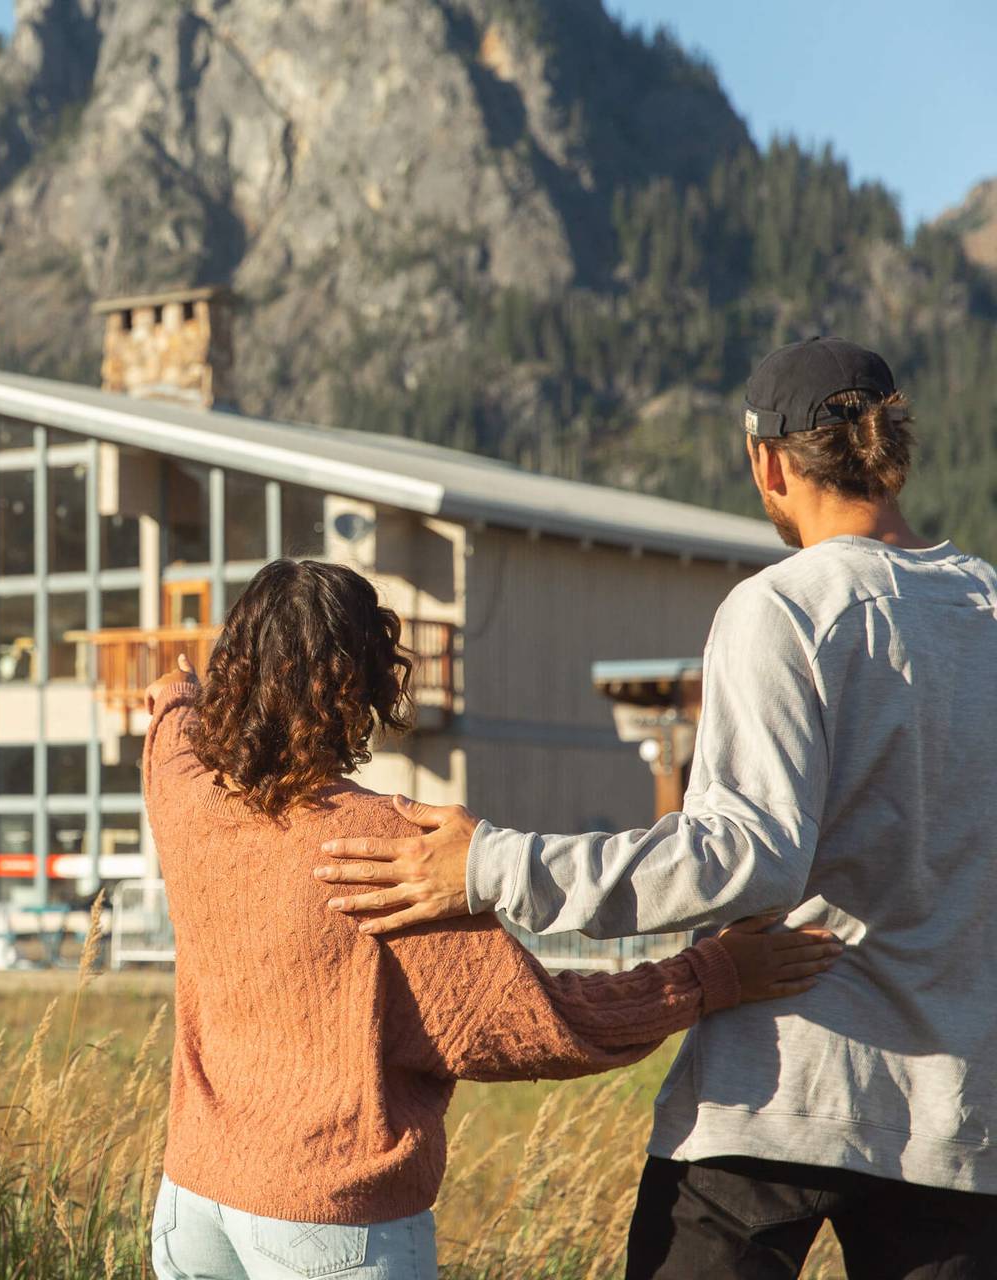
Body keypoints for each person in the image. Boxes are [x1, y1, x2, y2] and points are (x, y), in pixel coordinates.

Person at [313, 337, 997, 1278]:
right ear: (895, 450)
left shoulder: (785, 609)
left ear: (766, 462)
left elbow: (744, 853)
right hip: (963, 1124)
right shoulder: (989, 610)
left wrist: (490, 865)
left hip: (779, 1095)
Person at [142, 558, 840, 1280]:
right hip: (326, 1219)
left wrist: (178, 694)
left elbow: (170, 729)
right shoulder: (380, 849)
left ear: (238, 665)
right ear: (368, 683)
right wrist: (716, 973)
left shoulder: (188, 802)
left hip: (192, 1202)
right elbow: (546, 1023)